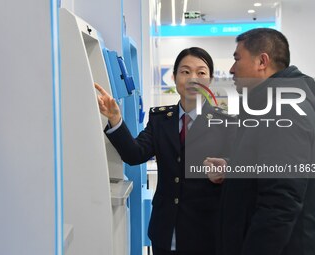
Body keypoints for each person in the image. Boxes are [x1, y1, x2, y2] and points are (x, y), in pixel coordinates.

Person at [95, 47, 236, 255]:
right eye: (185, 72)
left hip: (207, 233)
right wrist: (115, 119)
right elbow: (135, 154)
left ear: (210, 80)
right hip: (165, 230)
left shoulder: (225, 122)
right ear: (174, 77)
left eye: (201, 72)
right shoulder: (160, 119)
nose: (192, 79)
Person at [206, 28, 315, 255]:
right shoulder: (273, 106)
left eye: (237, 59)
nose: (232, 69)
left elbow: (281, 202)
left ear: (262, 61)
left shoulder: (284, 110)